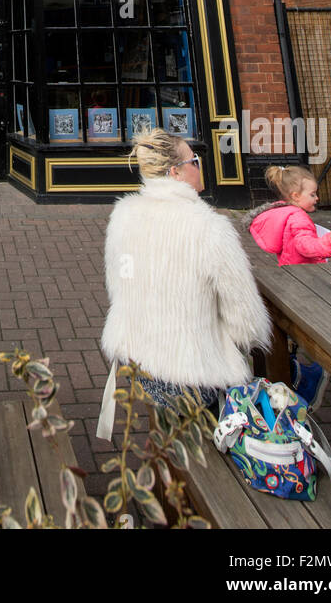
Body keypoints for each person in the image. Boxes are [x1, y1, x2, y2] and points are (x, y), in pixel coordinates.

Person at [97, 127, 272, 440]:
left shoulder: (122, 217)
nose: (200, 166)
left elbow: (120, 287)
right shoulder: (209, 228)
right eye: (195, 161)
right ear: (175, 172)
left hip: (142, 368)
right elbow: (247, 324)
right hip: (195, 379)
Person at [245, 164, 331, 408]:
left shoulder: (287, 214)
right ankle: (296, 374)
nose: (316, 197)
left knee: (288, 330)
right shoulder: (299, 217)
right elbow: (304, 246)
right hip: (304, 278)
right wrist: (326, 244)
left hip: (291, 274)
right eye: (312, 194)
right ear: (295, 196)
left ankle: (289, 367)